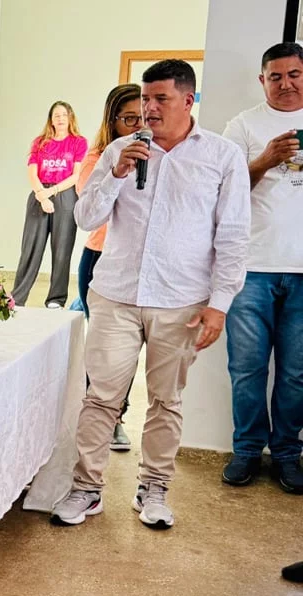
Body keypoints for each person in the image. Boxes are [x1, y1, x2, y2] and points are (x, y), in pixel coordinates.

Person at [51, 60, 251, 529]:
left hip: (182, 300)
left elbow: (233, 236)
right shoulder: (120, 150)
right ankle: (86, 489)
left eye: (161, 98)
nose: (150, 108)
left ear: (188, 100)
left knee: (166, 400)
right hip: (116, 294)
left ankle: (154, 489)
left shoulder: (222, 156)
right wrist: (117, 173)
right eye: (145, 99)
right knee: (101, 397)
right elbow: (86, 218)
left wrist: (220, 305)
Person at [220, 42, 303, 493]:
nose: (285, 83)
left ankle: (288, 454)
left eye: (294, 74)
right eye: (276, 76)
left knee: (296, 373)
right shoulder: (242, 125)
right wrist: (265, 160)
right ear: (262, 80)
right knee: (247, 368)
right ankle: (248, 450)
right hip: (250, 267)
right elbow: (224, 191)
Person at [75, 83, 143, 453]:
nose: (138, 126)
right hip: (100, 259)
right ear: (113, 121)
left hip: (137, 264)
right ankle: (96, 416)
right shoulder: (98, 159)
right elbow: (91, 211)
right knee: (105, 351)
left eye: (143, 117)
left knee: (128, 350)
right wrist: (119, 170)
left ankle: (117, 416)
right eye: (129, 119)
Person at [12, 101, 88, 308]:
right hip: (40, 194)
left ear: (70, 118)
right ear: (51, 120)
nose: (60, 118)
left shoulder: (78, 142)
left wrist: (52, 192)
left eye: (64, 115)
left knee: (62, 248)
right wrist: (41, 195)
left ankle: (56, 298)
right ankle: (17, 297)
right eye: (56, 115)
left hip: (65, 195)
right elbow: (32, 172)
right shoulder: (40, 142)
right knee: (30, 248)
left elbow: (76, 175)